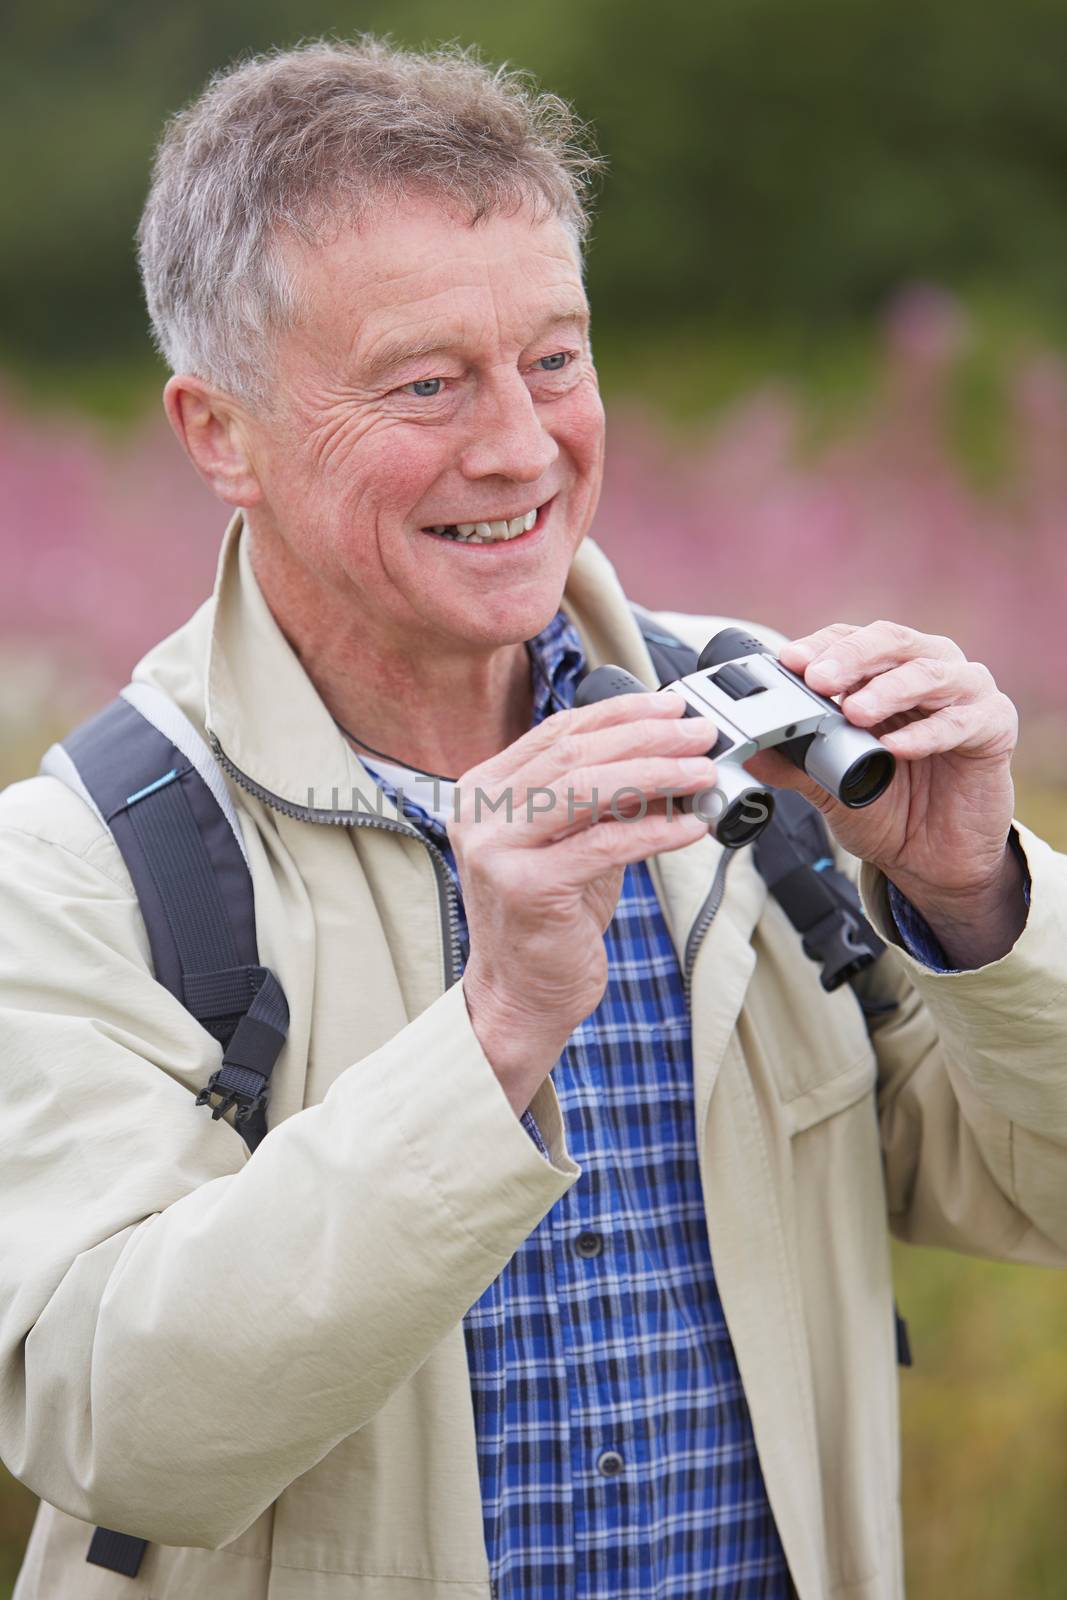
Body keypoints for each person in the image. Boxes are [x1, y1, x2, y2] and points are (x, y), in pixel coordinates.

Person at [0, 36, 1064, 1600]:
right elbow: (119, 1435)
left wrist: (979, 902)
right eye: (426, 384)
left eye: (554, 359)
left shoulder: (759, 756)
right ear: (216, 431)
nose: (519, 448)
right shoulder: (81, 862)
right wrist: (494, 1035)